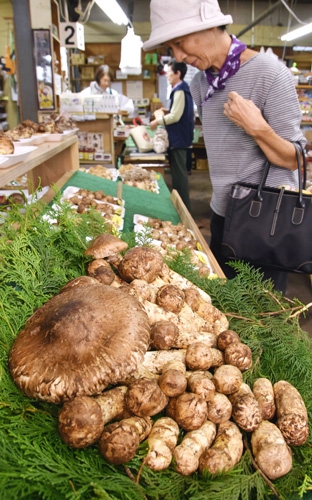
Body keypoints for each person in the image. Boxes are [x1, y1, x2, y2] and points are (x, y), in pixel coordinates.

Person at [144, 0, 306, 294]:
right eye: (171, 48)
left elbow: (296, 159)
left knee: (262, 316)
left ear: (210, 26)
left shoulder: (271, 73)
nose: (178, 55)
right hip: (222, 214)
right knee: (226, 308)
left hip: (264, 219)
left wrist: (257, 128)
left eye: (180, 43)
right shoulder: (199, 82)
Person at [149, 60, 194, 211]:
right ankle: (180, 207)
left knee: (180, 176)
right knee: (177, 174)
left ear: (177, 73)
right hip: (179, 137)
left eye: (169, 72)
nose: (167, 75)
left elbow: (175, 117)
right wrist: (167, 111)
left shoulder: (180, 89)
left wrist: (157, 121)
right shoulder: (180, 89)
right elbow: (176, 112)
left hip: (179, 139)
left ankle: (184, 210)